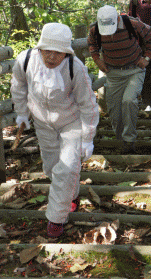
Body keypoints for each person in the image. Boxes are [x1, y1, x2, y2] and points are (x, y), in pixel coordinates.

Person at [11, 23, 100, 239]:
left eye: (57, 52)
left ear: (66, 52)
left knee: (66, 169)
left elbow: (88, 104)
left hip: (71, 123)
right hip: (42, 122)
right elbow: (18, 85)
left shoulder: (75, 68)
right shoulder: (25, 60)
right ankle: (71, 194)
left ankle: (56, 219)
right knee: (51, 168)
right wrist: (22, 112)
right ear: (39, 48)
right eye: (47, 51)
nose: (51, 57)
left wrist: (87, 139)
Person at [88, 5, 151, 152]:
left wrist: (146, 58)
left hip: (134, 70)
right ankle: (121, 138)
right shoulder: (95, 29)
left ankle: (129, 140)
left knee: (129, 101)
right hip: (113, 73)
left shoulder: (132, 24)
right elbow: (92, 44)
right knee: (114, 111)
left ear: (117, 18)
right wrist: (97, 60)